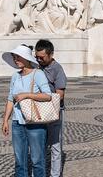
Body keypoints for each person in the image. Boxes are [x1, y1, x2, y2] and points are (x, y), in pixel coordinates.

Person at [1, 44, 52, 177]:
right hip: (17, 123)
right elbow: (10, 99)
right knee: (19, 161)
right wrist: (5, 120)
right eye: (14, 57)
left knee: (37, 161)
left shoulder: (38, 74)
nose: (15, 59)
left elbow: (47, 96)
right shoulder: (15, 76)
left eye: (18, 57)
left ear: (26, 58)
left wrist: (26, 95)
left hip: (35, 123)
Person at [35, 39, 67, 177]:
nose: (39, 60)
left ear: (50, 54)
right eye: (37, 57)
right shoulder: (36, 66)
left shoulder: (57, 69)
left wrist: (45, 98)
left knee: (55, 146)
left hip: (54, 111)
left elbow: (60, 94)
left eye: (41, 57)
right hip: (37, 111)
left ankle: (55, 175)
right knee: (38, 145)